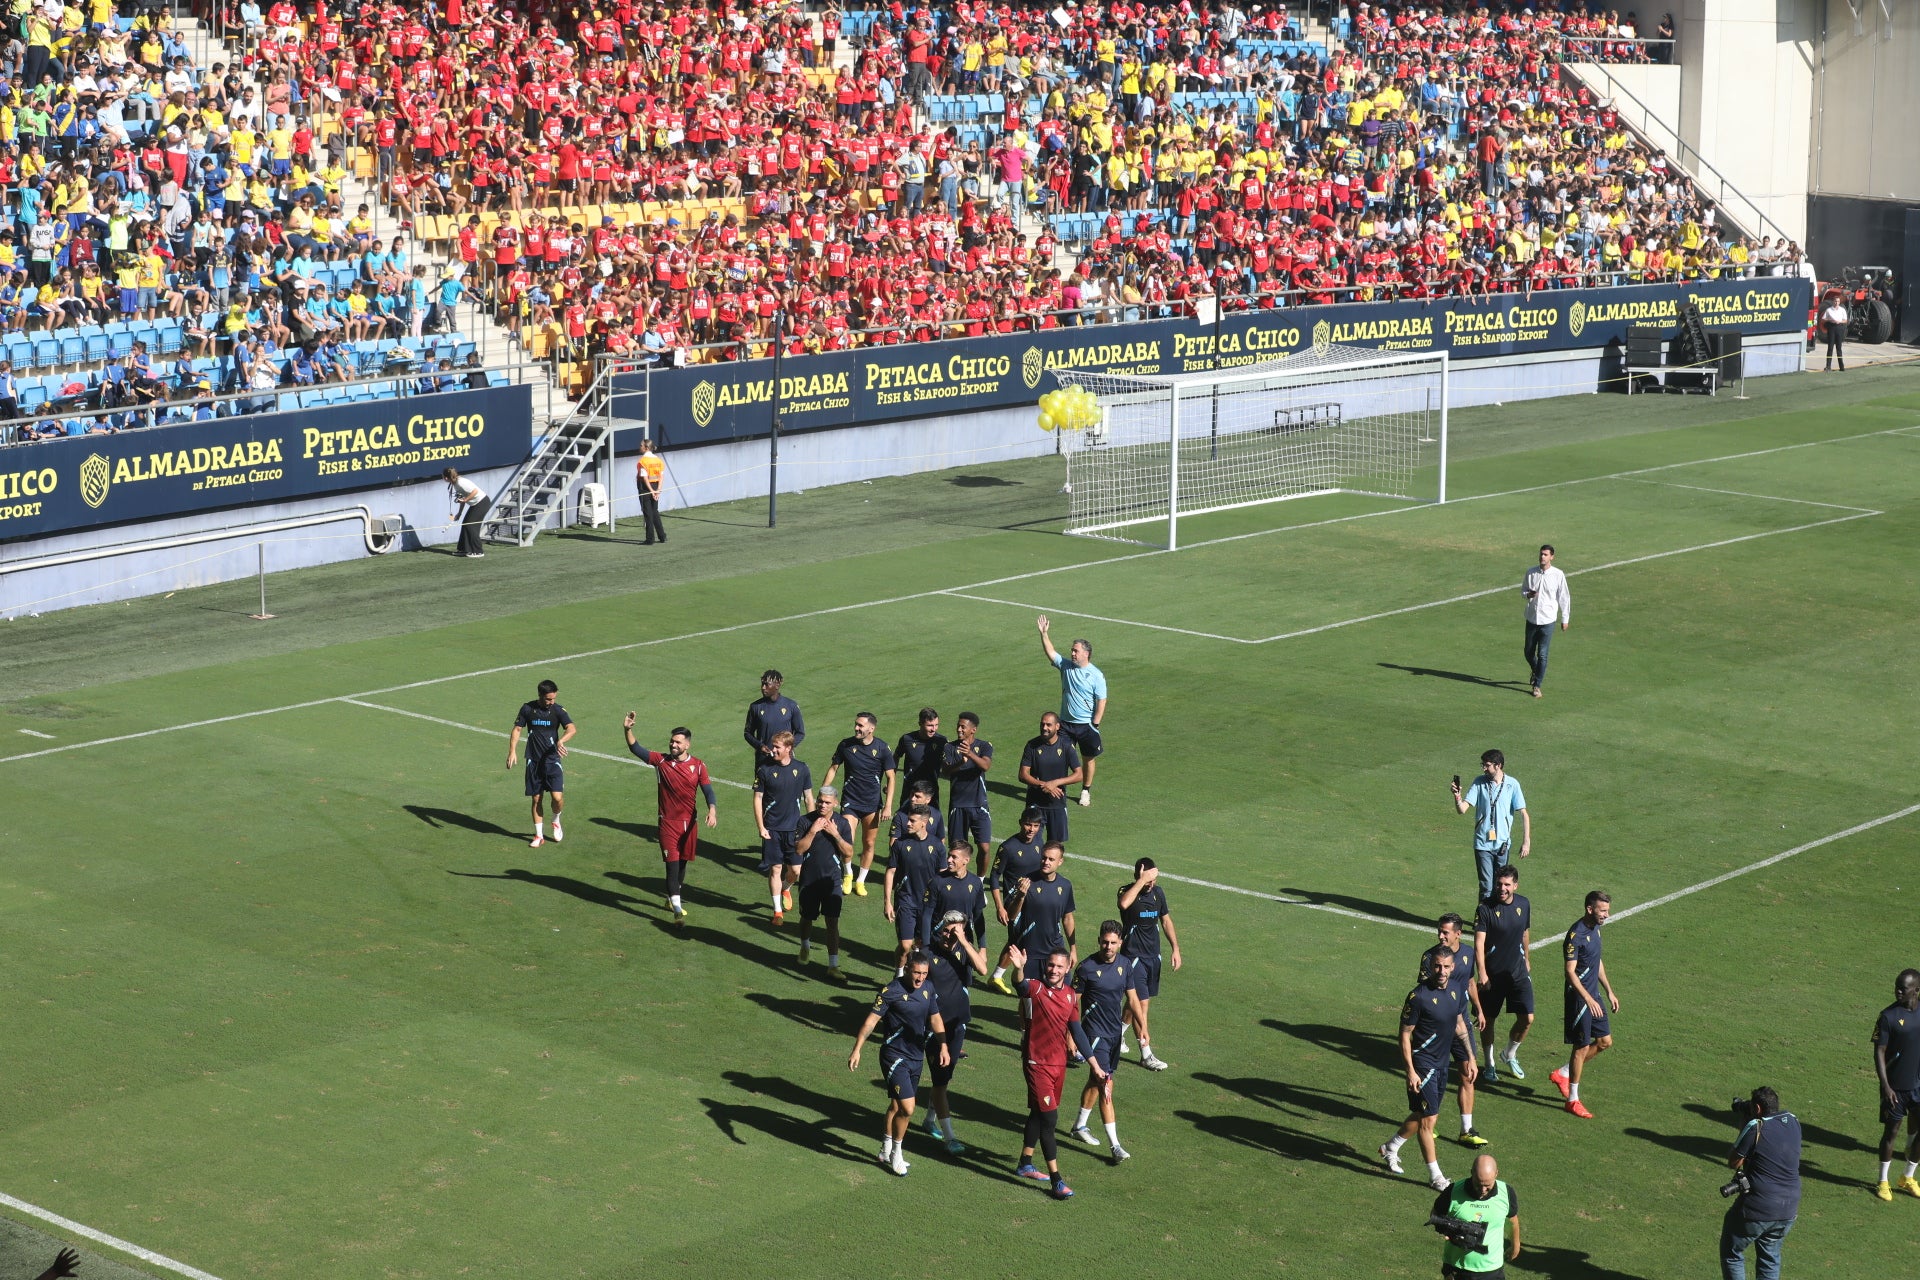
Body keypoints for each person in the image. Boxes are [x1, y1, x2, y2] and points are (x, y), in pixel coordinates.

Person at [1004, 944, 1107, 1200]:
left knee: (1038, 1115)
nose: (1053, 970)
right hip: (1036, 1063)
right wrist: (1018, 969)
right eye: (1050, 965)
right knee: (1050, 1121)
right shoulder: (1036, 989)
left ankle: (1025, 1163)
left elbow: (1077, 1032)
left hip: (1058, 1065)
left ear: (1067, 968)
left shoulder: (1071, 996)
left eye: (1059, 966)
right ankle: (1057, 1181)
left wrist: (1095, 1065)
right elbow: (1020, 986)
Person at [847, 952, 949, 1178]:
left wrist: (943, 1045)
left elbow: (935, 1018)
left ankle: (884, 1147)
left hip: (916, 1057)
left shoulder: (928, 989)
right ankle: (896, 1153)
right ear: (907, 969)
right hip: (894, 1056)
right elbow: (871, 1021)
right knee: (908, 1108)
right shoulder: (890, 991)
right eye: (916, 973)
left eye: (924, 973)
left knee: (896, 1105)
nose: (920, 978)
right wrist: (857, 1049)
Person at [1383, 947, 1476, 1191]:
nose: (1441, 971)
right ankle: (1436, 1177)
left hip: (1442, 1063)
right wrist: (1410, 1071)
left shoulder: (1457, 990)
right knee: (1428, 1121)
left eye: (1446, 966)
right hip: (1423, 1064)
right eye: (1437, 966)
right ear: (1430, 966)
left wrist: (1470, 1056)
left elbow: (1459, 1024)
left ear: (1453, 967)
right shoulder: (1418, 997)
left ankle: (1390, 1147)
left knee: (1423, 1113)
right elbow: (1404, 1035)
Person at [622, 713, 717, 922]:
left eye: (677, 742)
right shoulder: (661, 761)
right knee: (672, 865)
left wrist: (712, 809)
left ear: (687, 745)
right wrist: (628, 729)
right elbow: (636, 749)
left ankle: (673, 897)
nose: (673, 744)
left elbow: (708, 790)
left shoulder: (699, 765)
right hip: (668, 824)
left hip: (690, 824)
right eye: (672, 741)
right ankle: (676, 909)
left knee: (682, 864)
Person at [1069, 921, 1148, 1162]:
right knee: (1106, 1086)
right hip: (1094, 1036)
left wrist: (1143, 1027)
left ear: (1120, 942)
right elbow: (1071, 1005)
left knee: (1096, 1080)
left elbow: (1132, 999)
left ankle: (1079, 1127)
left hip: (1115, 1036)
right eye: (1105, 942)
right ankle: (1115, 1146)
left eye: (1113, 942)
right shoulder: (1086, 968)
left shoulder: (1125, 965)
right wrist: (1070, 1037)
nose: (1108, 946)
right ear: (1099, 940)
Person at [1421, 914, 1490, 1148]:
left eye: (1445, 932)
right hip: (1438, 1027)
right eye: (1439, 931)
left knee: (1468, 1073)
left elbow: (1470, 983)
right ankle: (1430, 1123)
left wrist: (1478, 1009)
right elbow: (1424, 992)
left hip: (1461, 1024)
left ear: (1458, 934)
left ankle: (1466, 1130)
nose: (1440, 935)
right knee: (1437, 1076)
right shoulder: (1430, 958)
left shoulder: (1468, 953)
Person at [922, 910, 988, 1153]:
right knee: (940, 1082)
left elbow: (982, 969)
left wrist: (964, 941)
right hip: (934, 1030)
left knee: (945, 1079)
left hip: (958, 1026)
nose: (950, 936)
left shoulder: (963, 951)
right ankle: (950, 1138)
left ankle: (929, 1120)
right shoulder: (927, 955)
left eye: (956, 932)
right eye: (948, 931)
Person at [1550, 892, 1620, 1118]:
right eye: (1602, 911)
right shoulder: (1576, 935)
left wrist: (1609, 990)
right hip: (1580, 999)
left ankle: (1562, 1073)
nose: (1606, 915)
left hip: (1594, 996)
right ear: (1590, 909)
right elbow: (1570, 972)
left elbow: (1596, 960)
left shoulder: (1595, 929)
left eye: (1607, 910)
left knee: (1604, 1041)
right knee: (1580, 1048)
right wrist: (1588, 999)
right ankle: (1572, 1099)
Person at [1720, 1086, 1801, 1280]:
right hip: (1788, 1209)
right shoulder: (1793, 1120)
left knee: (1732, 1252)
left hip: (1758, 1207)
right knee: (1770, 1258)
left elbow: (1734, 1161)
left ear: (1756, 1108)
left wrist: (1745, 1124)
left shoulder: (1756, 1126)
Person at [823, 712, 896, 898]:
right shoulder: (845, 745)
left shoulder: (882, 748)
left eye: (860, 726)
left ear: (871, 728)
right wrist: (824, 791)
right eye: (856, 724)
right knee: (847, 841)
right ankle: (848, 874)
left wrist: (887, 806)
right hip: (850, 801)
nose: (856, 728)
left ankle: (861, 880)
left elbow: (891, 777)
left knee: (869, 843)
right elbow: (833, 768)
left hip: (872, 804)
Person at [1118, 857, 1180, 1070]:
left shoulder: (1158, 893)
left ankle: (1116, 1035)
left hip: (1153, 957)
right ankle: (1146, 1054)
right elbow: (1124, 904)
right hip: (1132, 958)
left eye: (1153, 879)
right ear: (1138, 875)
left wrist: (1176, 948)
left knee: (1135, 1003)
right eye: (1147, 878)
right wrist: (1142, 880)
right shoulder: (1127, 892)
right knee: (1141, 1006)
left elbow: (1165, 920)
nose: (1151, 883)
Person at [1037, 615, 1107, 805]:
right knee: (1060, 757)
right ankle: (1057, 789)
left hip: (1086, 725)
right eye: (1072, 650)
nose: (1072, 653)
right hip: (1066, 724)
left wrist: (1095, 724)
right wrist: (1044, 634)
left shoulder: (1096, 675)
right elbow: (1051, 652)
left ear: (1086, 653)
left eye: (1076, 651)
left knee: (1088, 758)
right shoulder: (1066, 666)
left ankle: (1085, 790)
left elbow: (1101, 700)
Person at [1474, 864, 1534, 1083]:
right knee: (1488, 1020)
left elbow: (1525, 933)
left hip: (1517, 972)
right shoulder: (1485, 909)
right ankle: (1489, 1063)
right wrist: (1482, 973)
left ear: (1515, 885)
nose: (1502, 888)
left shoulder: (1523, 904)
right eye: (1499, 884)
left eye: (1507, 884)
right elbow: (1479, 942)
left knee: (1527, 1018)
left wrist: (1527, 958)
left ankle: (1509, 1053)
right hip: (1492, 974)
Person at [1451, 751, 1530, 905]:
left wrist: (1526, 841)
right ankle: (1482, 920)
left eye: (1487, 765)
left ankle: (1497, 917)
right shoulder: (1479, 782)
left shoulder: (1512, 784)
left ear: (1498, 765)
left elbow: (1524, 814)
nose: (1484, 769)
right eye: (1483, 765)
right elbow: (1462, 809)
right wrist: (1457, 796)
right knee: (1486, 886)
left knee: (1501, 887)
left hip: (1502, 845)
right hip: (1482, 844)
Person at [995, 841, 1077, 989]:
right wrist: (1020, 896)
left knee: (1061, 993)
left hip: (1055, 949)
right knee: (1029, 998)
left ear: (1060, 861)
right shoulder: (1025, 881)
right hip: (1030, 951)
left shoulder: (1065, 886)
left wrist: (1073, 949)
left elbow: (1068, 917)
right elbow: (1011, 916)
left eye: (1051, 859)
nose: (1046, 862)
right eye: (1044, 858)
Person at [752, 731, 813, 926]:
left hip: (795, 830)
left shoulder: (802, 769)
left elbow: (809, 797)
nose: (773, 750)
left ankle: (786, 887)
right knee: (776, 869)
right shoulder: (764, 769)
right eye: (773, 746)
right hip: (772, 829)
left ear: (789, 748)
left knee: (795, 870)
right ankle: (777, 911)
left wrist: (812, 823)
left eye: (777, 747)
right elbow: (757, 799)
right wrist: (761, 826)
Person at [794, 786, 857, 974]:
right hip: (809, 880)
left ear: (835, 803)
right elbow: (799, 849)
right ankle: (805, 946)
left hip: (832, 881)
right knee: (806, 918)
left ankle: (833, 965)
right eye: (820, 801)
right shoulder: (805, 821)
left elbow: (849, 852)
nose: (822, 804)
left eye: (827, 802)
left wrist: (835, 834)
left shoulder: (843, 824)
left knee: (832, 923)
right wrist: (813, 831)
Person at [1870, 968, 1920, 1199]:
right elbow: (1878, 1052)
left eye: (1904, 988)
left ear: (1916, 990)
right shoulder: (1888, 1016)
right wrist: (1886, 1086)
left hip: (1918, 1085)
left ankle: (1907, 1176)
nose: (1898, 991)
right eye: (1897, 986)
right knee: (1891, 1133)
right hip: (1896, 1088)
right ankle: (1882, 1181)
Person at [507, 680, 574, 847]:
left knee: (557, 798)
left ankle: (556, 820)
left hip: (552, 760)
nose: (551, 702)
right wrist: (512, 751)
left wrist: (561, 741)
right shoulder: (527, 709)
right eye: (548, 699)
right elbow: (517, 729)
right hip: (533, 760)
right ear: (540, 696)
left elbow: (571, 728)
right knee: (536, 798)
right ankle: (539, 836)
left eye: (553, 699)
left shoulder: (558, 710)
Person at [1433, 1154, 1522, 1278]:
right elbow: (1435, 1215)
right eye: (1478, 1184)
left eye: (1487, 1186)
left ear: (1496, 1174)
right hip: (1458, 1267)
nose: (1482, 1190)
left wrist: (1515, 1245)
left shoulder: (1506, 1193)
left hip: (1493, 1269)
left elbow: (1512, 1220)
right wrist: (1450, 1231)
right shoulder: (1453, 1191)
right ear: (1472, 1173)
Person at [883, 804, 946, 971]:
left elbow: (943, 877)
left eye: (912, 820)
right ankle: (898, 976)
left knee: (922, 946)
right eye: (908, 819)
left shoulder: (938, 847)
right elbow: (890, 872)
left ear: (923, 823)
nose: (907, 823)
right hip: (906, 900)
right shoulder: (900, 844)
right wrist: (887, 902)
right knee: (905, 946)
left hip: (929, 905)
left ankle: (915, 979)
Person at [1019, 712, 1084, 845]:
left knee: (1055, 846)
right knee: (1031, 844)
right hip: (1035, 804)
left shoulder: (1066, 746)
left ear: (1057, 726)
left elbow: (1079, 775)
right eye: (1042, 724)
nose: (1044, 728)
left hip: (1057, 804)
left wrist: (1056, 783)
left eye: (1049, 725)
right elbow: (1023, 774)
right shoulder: (1032, 745)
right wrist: (1044, 785)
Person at [942, 712, 995, 875]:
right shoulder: (949, 747)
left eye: (962, 727)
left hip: (979, 805)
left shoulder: (985, 746)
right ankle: (955, 880)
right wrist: (960, 762)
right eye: (958, 726)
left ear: (973, 730)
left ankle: (979, 881)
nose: (958, 729)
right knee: (957, 849)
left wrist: (970, 754)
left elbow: (985, 765)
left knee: (985, 847)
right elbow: (945, 771)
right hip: (958, 805)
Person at [1520, 545, 1571, 697]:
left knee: (1542, 654)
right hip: (1532, 618)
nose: (1542, 557)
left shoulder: (1558, 575)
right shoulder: (1531, 572)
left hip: (1548, 620)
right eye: (1541, 554)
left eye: (1545, 554)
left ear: (1552, 557)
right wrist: (1528, 594)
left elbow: (1564, 597)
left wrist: (1565, 618)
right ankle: (1536, 670)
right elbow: (1523, 591)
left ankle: (1537, 686)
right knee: (1528, 652)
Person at [744, 670, 805, 775]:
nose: (763, 687)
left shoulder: (791, 706)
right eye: (762, 684)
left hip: (785, 760)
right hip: (763, 761)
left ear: (777, 685)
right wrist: (760, 746)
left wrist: (787, 747)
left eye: (766, 684)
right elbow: (747, 733)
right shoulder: (755, 707)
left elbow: (800, 732)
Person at [893, 707, 947, 813]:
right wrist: (892, 778)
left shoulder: (942, 741)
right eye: (930, 725)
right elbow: (896, 757)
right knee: (907, 823)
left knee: (930, 825)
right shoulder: (907, 739)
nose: (934, 729)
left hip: (931, 793)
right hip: (910, 792)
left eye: (936, 725)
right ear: (920, 723)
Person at [443, 465, 489, 558]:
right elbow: (462, 498)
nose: (442, 478)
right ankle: (464, 550)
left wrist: (465, 500)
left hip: (482, 502)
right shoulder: (455, 484)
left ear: (446, 478)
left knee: (470, 526)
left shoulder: (460, 483)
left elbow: (475, 491)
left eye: (443, 477)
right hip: (476, 504)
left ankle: (478, 551)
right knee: (465, 524)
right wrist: (459, 513)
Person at [635, 437, 667, 544]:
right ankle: (662, 536)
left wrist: (651, 491)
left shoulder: (643, 461)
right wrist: (657, 490)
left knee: (648, 513)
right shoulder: (658, 460)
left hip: (645, 488)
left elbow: (644, 478)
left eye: (641, 445)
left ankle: (650, 539)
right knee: (655, 512)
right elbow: (661, 477)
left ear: (646, 447)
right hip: (655, 486)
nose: (639, 447)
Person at [1819, 290, 1848, 372]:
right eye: (1835, 301)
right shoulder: (1829, 310)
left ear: (1839, 302)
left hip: (1839, 328)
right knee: (1830, 348)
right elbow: (1823, 319)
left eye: (1838, 301)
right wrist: (1830, 320)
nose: (1836, 302)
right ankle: (1828, 366)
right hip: (1831, 327)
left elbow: (1845, 320)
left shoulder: (1842, 310)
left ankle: (1841, 367)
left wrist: (1840, 322)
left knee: (1839, 348)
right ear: (1833, 302)